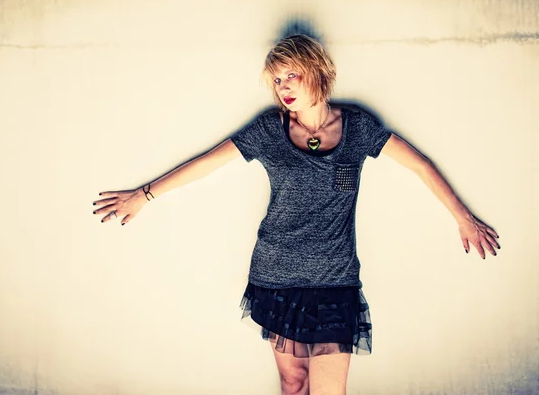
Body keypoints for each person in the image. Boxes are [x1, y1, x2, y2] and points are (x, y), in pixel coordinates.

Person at [92, 34, 500, 395]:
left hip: (335, 284)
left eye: (291, 76)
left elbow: (420, 165)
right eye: (276, 80)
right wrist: (144, 195)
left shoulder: (357, 129)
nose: (283, 88)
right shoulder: (270, 132)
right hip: (276, 277)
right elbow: (206, 164)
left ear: (316, 72)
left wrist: (462, 218)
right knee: (293, 384)